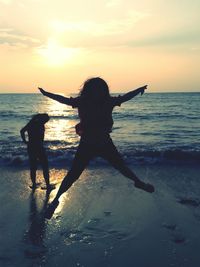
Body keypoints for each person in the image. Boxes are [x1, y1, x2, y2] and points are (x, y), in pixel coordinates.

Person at [38, 77, 155, 218]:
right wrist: (47, 94)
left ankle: (138, 182)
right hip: (87, 144)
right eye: (94, 89)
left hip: (105, 142)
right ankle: (55, 201)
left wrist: (139, 90)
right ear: (88, 90)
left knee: (121, 166)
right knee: (73, 174)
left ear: (103, 90)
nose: (97, 91)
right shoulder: (82, 102)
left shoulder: (108, 102)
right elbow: (64, 100)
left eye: (100, 89)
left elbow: (125, 97)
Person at [20, 113, 53, 191]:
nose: (46, 122)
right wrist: (25, 141)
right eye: (45, 121)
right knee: (45, 165)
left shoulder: (31, 124)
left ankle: (34, 184)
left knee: (33, 166)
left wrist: (25, 141)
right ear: (42, 119)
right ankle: (48, 185)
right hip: (39, 147)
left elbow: (22, 131)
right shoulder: (39, 125)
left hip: (31, 147)